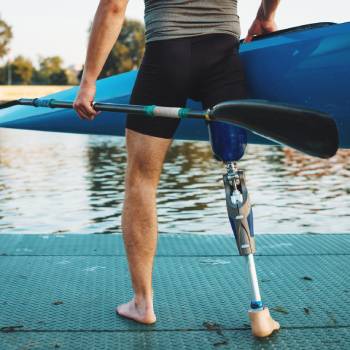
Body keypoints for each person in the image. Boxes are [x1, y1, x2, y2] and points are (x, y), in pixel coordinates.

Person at [73, 0, 280, 326]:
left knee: (141, 178)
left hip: (166, 57)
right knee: (232, 166)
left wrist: (89, 81)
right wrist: (265, 17)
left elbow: (114, 6)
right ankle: (259, 309)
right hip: (224, 57)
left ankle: (143, 304)